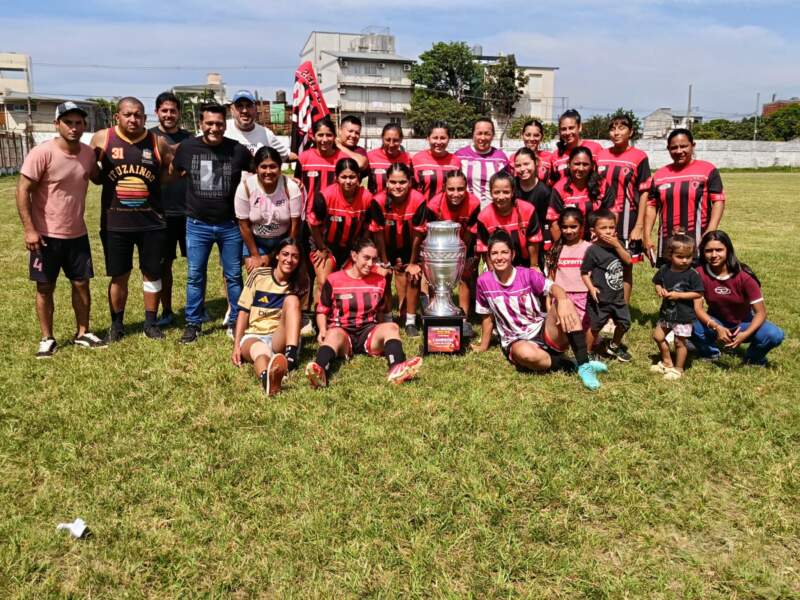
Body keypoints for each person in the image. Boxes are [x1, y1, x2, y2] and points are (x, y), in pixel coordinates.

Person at [16, 102, 105, 357]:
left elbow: (98, 177)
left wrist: (105, 155)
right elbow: (23, 190)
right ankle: (47, 338)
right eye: (68, 123)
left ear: (84, 126)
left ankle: (83, 332)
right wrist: (29, 229)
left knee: (81, 284)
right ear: (57, 125)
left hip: (77, 233)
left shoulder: (87, 154)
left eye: (79, 123)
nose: (74, 128)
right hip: (45, 235)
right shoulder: (42, 153)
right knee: (45, 287)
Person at [472, 229, 608, 391]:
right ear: (488, 257)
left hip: (543, 330)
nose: (499, 257)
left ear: (513, 255)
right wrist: (483, 345)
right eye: (494, 253)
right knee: (525, 354)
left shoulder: (527, 275)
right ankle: (569, 363)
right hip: (516, 340)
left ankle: (584, 365)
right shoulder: (484, 282)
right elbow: (486, 317)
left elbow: (555, 288)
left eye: (504, 252)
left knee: (565, 303)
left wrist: (563, 299)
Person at [90, 96, 174, 342]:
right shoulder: (102, 138)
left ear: (145, 118)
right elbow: (94, 176)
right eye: (128, 114)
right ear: (117, 116)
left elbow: (170, 171)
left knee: (152, 273)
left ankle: (151, 322)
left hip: (151, 222)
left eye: (138, 115)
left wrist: (155, 184)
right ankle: (117, 324)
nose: (133, 119)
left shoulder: (157, 142)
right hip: (116, 223)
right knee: (119, 275)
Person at [171, 103, 252, 344]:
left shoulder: (238, 150)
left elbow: (261, 172)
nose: (214, 128)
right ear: (201, 124)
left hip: (230, 225)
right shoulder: (187, 148)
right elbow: (173, 171)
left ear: (225, 124)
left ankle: (237, 321)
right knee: (195, 275)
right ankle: (193, 324)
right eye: (209, 123)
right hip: (197, 224)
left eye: (219, 123)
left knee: (233, 276)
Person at [305, 237, 423, 388]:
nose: (370, 263)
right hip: (342, 332)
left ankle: (396, 368)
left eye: (373, 259)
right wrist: (322, 330)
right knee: (333, 334)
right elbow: (322, 310)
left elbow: (381, 312)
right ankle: (320, 372)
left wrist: (384, 335)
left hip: (368, 333)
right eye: (366, 258)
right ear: (354, 256)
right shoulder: (334, 279)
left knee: (391, 327)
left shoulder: (380, 281)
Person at [691, 230, 784, 366]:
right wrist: (717, 327)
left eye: (719, 250)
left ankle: (753, 359)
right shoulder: (699, 273)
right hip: (716, 322)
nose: (714, 255)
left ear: (728, 250)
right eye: (709, 251)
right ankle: (710, 353)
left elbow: (761, 312)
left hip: (744, 324)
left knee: (774, 334)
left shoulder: (744, 276)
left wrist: (745, 335)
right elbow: (697, 308)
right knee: (687, 321)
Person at [232, 238, 307, 395]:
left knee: (292, 300)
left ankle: (290, 358)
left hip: (278, 337)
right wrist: (237, 345)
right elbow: (243, 311)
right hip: (254, 334)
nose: (289, 260)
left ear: (299, 260)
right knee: (261, 352)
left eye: (295, 256)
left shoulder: (301, 282)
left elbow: (296, 319)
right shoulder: (259, 275)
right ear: (277, 256)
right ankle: (268, 379)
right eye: (285, 254)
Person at [645, 128, 725, 263]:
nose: (679, 151)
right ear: (668, 149)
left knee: (697, 281)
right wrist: (646, 235)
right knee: (667, 282)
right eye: (674, 147)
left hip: (698, 241)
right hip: (668, 242)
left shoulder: (707, 170)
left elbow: (718, 202)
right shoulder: (660, 175)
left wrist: (711, 231)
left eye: (684, 146)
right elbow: (651, 206)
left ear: (693, 146)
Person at [597, 114, 652, 304]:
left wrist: (639, 227)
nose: (616, 132)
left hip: (628, 220)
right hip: (604, 220)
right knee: (603, 264)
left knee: (625, 265)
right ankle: (604, 307)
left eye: (621, 128)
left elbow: (644, 192)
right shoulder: (601, 155)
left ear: (631, 132)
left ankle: (622, 310)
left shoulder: (639, 157)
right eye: (613, 128)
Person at [149, 91, 192, 327]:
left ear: (179, 113)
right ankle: (166, 310)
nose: (168, 115)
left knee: (196, 264)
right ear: (157, 112)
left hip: (189, 211)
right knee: (163, 264)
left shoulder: (191, 139)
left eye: (173, 110)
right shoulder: (149, 138)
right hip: (160, 213)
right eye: (164, 110)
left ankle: (197, 308)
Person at [369, 163, 428, 335]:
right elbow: (378, 234)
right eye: (393, 182)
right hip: (386, 246)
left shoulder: (418, 199)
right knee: (384, 275)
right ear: (387, 183)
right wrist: (384, 262)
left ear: (410, 182)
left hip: (411, 246)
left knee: (414, 275)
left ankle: (410, 320)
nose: (398, 186)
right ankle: (388, 318)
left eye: (402, 182)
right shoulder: (378, 201)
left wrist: (413, 262)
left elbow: (419, 234)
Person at [307, 158, 376, 302]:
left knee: (350, 283)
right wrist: (321, 247)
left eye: (352, 177)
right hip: (326, 245)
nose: (348, 181)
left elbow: (369, 225)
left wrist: (360, 248)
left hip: (351, 246)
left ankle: (344, 316)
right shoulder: (325, 196)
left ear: (358, 177)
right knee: (324, 282)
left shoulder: (367, 197)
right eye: (343, 177)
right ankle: (321, 319)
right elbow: (313, 224)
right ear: (336, 178)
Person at [235, 146, 302, 272]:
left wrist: (286, 249)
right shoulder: (245, 187)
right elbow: (243, 225)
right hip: (255, 241)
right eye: (263, 167)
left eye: (273, 166)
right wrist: (255, 255)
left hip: (283, 239)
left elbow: (296, 223)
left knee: (282, 278)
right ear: (256, 168)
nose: (268, 171)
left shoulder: (291, 187)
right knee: (257, 274)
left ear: (280, 167)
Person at [426, 170, 481, 321]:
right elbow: (430, 234)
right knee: (435, 276)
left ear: (466, 188)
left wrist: (463, 257)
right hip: (439, 246)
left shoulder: (474, 203)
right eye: (451, 189)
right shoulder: (434, 205)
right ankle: (434, 310)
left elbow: (470, 233)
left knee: (465, 275)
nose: (455, 193)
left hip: (464, 244)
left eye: (460, 189)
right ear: (444, 187)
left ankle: (464, 318)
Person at [580, 209, 633, 361]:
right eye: (603, 228)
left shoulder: (619, 245)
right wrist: (591, 288)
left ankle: (613, 346)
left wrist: (617, 245)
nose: (608, 231)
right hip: (600, 298)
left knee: (625, 323)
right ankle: (588, 352)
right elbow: (584, 272)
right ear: (593, 230)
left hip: (618, 296)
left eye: (611, 227)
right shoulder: (592, 250)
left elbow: (628, 261)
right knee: (596, 327)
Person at [650, 233, 704, 380]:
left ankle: (678, 368)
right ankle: (667, 362)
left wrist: (679, 295)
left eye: (689, 257)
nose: (685, 260)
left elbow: (698, 293)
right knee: (658, 336)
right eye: (680, 257)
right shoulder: (665, 269)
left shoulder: (692, 274)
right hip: (666, 313)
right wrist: (659, 289)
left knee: (680, 343)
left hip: (683, 316)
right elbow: (657, 282)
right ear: (670, 254)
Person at [476, 172, 542, 269]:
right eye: (496, 192)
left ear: (513, 192)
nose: (501, 197)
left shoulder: (527, 210)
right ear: (490, 192)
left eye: (506, 192)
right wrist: (493, 273)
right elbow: (486, 248)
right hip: (499, 267)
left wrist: (534, 266)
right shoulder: (483, 217)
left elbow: (534, 240)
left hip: (526, 264)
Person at [547, 146, 607, 243]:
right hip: (570, 245)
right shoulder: (559, 188)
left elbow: (612, 214)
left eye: (585, 164)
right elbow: (554, 222)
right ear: (569, 164)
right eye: (577, 164)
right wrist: (563, 248)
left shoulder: (602, 185)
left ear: (592, 165)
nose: (581, 168)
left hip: (598, 243)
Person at [546, 207, 592, 330]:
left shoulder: (590, 249)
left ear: (582, 227)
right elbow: (551, 277)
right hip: (562, 298)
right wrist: (548, 299)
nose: (568, 231)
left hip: (584, 298)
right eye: (565, 227)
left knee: (583, 331)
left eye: (573, 227)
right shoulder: (555, 249)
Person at [224, 89, 294, 161]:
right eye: (239, 106)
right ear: (232, 110)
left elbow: (286, 156)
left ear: (255, 109)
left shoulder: (266, 134)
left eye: (249, 106)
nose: (244, 111)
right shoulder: (223, 129)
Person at [455, 118, 510, 208]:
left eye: (487, 134)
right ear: (473, 134)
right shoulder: (460, 156)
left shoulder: (501, 158)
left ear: (493, 136)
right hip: (467, 210)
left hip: (493, 211)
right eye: (479, 133)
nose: (483, 138)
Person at [513, 147, 553, 264]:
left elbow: (547, 222)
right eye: (518, 165)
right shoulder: (511, 186)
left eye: (526, 164)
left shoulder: (545, 191)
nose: (522, 169)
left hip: (535, 244)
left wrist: (547, 243)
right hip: (514, 242)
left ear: (536, 163)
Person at [295, 117, 348, 202]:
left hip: (335, 212)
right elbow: (296, 184)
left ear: (335, 136)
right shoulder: (303, 158)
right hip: (308, 214)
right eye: (320, 135)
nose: (325, 139)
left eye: (329, 135)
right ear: (314, 136)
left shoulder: (344, 159)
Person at [411, 120, 462, 200]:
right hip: (424, 210)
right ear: (428, 138)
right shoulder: (417, 160)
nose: (438, 142)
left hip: (448, 211)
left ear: (449, 139)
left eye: (443, 138)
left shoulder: (455, 161)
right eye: (435, 138)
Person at [549, 109, 604, 185]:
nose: (568, 132)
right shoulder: (556, 155)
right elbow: (553, 183)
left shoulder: (595, 148)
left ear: (580, 127)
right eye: (563, 129)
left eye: (571, 128)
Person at [366, 123, 411, 194]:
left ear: (401, 139)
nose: (391, 144)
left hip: (400, 204)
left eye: (395, 140)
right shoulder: (370, 157)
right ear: (382, 138)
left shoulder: (408, 158)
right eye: (387, 140)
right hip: (376, 204)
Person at [508, 118, 553, 182]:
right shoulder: (513, 158)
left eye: (536, 135)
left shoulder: (549, 157)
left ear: (542, 137)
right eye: (528, 135)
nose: (532, 139)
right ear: (522, 135)